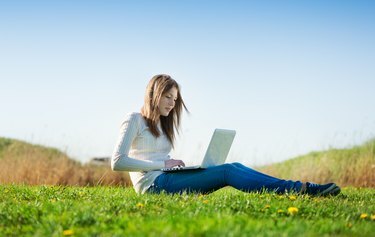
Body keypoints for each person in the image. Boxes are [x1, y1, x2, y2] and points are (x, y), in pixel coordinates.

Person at [111, 74, 341, 196]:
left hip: (165, 178)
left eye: (175, 98)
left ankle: (299, 187)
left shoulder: (163, 124)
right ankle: (301, 189)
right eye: (168, 97)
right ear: (154, 94)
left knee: (234, 165)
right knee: (228, 172)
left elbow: (158, 159)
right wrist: (162, 163)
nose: (172, 104)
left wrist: (174, 166)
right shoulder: (134, 119)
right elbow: (117, 162)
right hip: (153, 186)